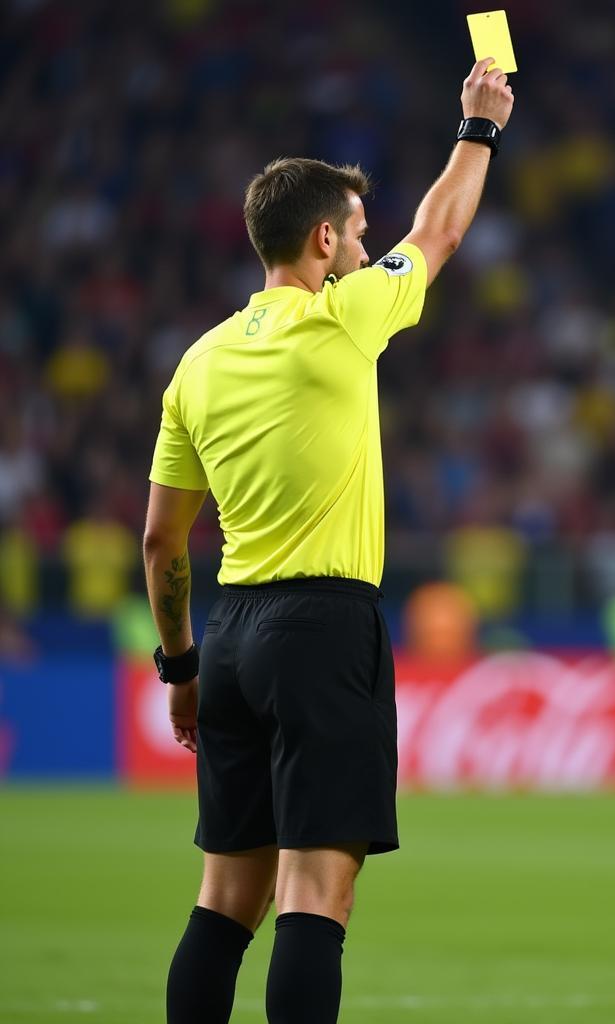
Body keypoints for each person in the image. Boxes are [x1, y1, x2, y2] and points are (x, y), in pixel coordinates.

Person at [142, 59, 514, 1024]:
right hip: (324, 627)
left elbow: (158, 542)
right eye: (354, 232)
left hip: (230, 634)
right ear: (322, 239)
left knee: (226, 897)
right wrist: (479, 125)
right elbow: (440, 229)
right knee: (317, 892)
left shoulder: (198, 361)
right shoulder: (344, 318)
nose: (365, 248)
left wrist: (181, 667)